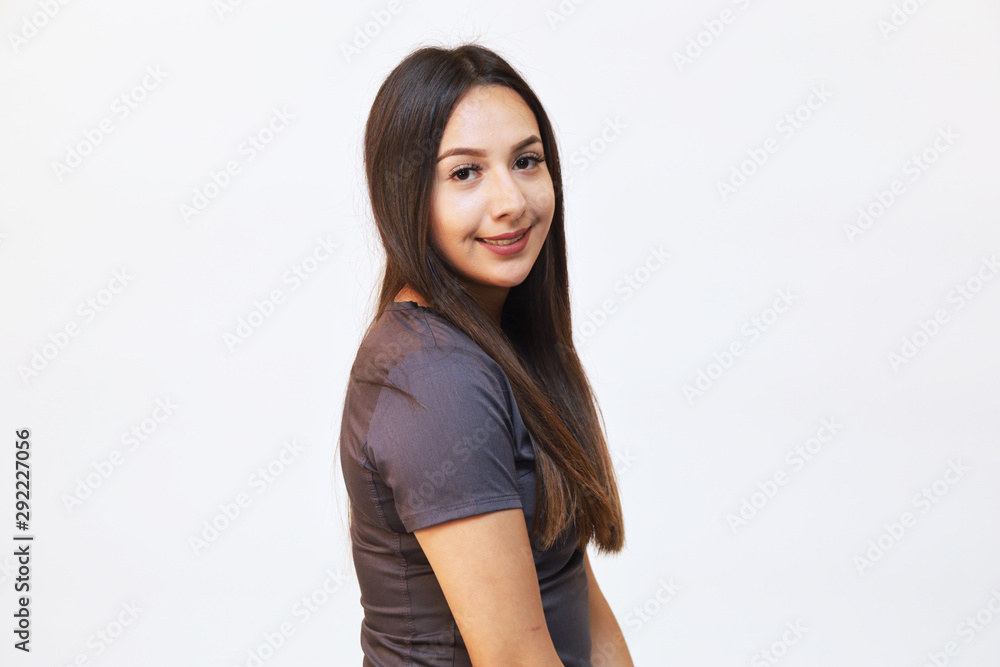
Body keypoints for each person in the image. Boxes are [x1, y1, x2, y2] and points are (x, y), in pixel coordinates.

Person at [337, 41, 633, 666]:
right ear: (405, 195)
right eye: (465, 173)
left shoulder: (497, 344)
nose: (511, 202)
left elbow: (575, 590)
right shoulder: (434, 379)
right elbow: (514, 659)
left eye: (526, 161)